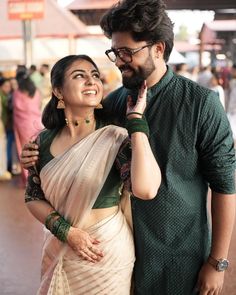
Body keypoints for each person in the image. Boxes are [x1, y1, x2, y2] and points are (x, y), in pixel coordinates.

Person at [21, 1, 236, 294]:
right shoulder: (112, 104)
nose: (119, 61)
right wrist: (33, 153)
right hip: (117, 252)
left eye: (127, 52)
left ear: (158, 49)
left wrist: (217, 261)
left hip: (179, 254)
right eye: (115, 52)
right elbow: (74, 147)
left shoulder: (200, 104)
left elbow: (225, 184)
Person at [22, 54, 161, 294]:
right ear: (58, 91)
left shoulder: (114, 138)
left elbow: (146, 189)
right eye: (79, 76)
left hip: (105, 255)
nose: (91, 81)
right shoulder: (41, 142)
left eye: (95, 75)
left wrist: (136, 122)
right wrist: (67, 232)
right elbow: (33, 197)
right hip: (60, 251)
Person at [13, 75, 43, 185]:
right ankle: (40, 176)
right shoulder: (37, 92)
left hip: (23, 125)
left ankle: (27, 178)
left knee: (24, 150)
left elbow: (15, 106)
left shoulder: (17, 93)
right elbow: (39, 105)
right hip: (36, 123)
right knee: (37, 149)